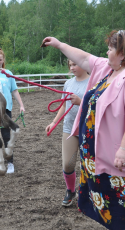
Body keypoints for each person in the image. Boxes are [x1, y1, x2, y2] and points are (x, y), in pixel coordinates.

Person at [42, 30, 125, 229]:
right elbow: (85, 57)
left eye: (110, 49)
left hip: (124, 165)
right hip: (104, 161)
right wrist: (59, 44)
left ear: (122, 53)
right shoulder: (109, 69)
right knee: (116, 216)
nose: (106, 53)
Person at [45, 60, 89, 207]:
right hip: (69, 128)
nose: (71, 67)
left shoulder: (93, 82)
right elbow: (64, 105)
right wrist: (54, 122)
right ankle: (70, 190)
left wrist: (81, 101)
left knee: (88, 164)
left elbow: (98, 105)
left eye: (75, 64)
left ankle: (90, 192)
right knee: (68, 164)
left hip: (87, 128)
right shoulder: (68, 84)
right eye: (70, 65)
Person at [0, 49, 25, 174]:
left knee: (6, 137)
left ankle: (10, 163)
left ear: (3, 60)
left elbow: (14, 90)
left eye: (0, 59)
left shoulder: (8, 73)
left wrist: (21, 105)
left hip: (5, 110)